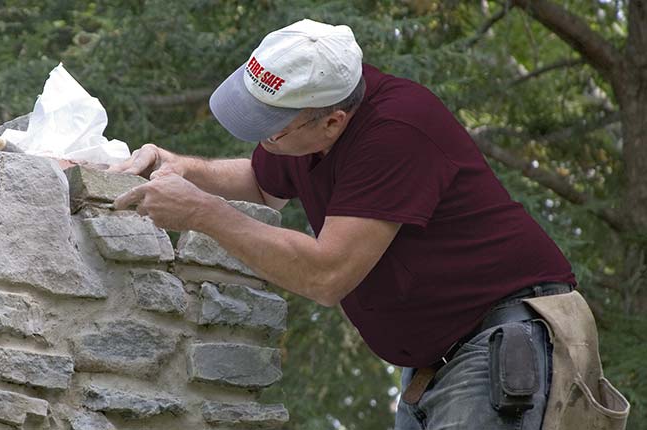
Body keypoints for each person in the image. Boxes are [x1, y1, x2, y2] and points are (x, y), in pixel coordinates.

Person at [110, 19, 586, 429]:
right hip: (440, 359)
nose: (263, 142)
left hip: (499, 340)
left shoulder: (397, 130)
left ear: (333, 122)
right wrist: (182, 167)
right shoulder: (313, 125)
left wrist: (200, 212)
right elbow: (261, 181)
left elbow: (326, 275)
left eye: (271, 130)